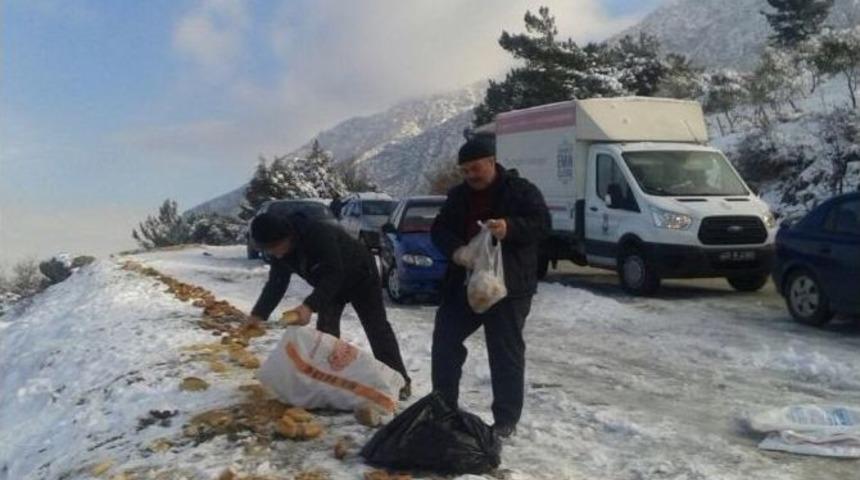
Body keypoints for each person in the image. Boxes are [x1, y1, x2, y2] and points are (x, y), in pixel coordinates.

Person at [430, 132, 549, 438]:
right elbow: (439, 228)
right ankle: (443, 408)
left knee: (505, 351)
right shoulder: (458, 196)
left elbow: (542, 224)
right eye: (465, 170)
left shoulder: (520, 191)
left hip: (507, 287)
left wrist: (510, 227)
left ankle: (506, 421)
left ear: (492, 162)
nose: (470, 176)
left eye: (476, 168)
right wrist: (458, 251)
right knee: (445, 341)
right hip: (465, 284)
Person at [244, 210, 412, 399]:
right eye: (268, 249)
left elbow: (334, 273)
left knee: (376, 327)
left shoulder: (318, 234)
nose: (274, 253)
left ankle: (400, 381)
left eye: (275, 247)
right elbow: (276, 283)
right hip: (327, 284)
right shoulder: (280, 251)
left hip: (360, 276)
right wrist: (258, 314)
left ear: (287, 236)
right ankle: (329, 381)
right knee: (325, 333)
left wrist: (309, 306)